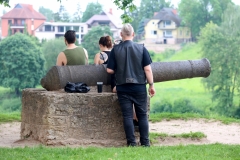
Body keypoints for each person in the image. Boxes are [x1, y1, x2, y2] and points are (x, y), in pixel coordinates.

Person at [107, 23, 155, 147]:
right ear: (133, 34)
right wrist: (151, 85)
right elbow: (148, 69)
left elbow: (109, 70)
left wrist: (119, 67)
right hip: (139, 87)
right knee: (142, 115)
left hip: (123, 87)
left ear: (121, 34)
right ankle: (145, 142)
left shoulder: (116, 49)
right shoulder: (141, 48)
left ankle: (131, 143)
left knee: (127, 116)